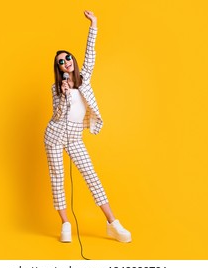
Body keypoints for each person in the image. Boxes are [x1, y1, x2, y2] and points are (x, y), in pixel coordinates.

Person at [44, 10, 131, 243]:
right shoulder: (56, 89)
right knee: (57, 178)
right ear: (59, 68)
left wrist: (94, 24)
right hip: (54, 135)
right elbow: (57, 115)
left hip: (74, 138)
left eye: (68, 58)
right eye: (61, 62)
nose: (66, 62)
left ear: (73, 60)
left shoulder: (85, 79)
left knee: (91, 176)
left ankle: (113, 223)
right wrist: (63, 96)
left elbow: (90, 53)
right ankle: (65, 224)